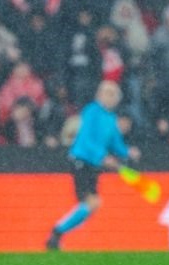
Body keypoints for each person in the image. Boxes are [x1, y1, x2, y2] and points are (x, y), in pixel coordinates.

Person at [46, 81, 141, 250]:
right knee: (91, 202)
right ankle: (57, 233)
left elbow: (115, 144)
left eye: (111, 93)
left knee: (93, 204)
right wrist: (103, 157)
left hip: (93, 165)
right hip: (81, 161)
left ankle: (57, 235)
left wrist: (128, 152)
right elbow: (87, 140)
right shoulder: (92, 111)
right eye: (104, 92)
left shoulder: (111, 119)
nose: (107, 96)